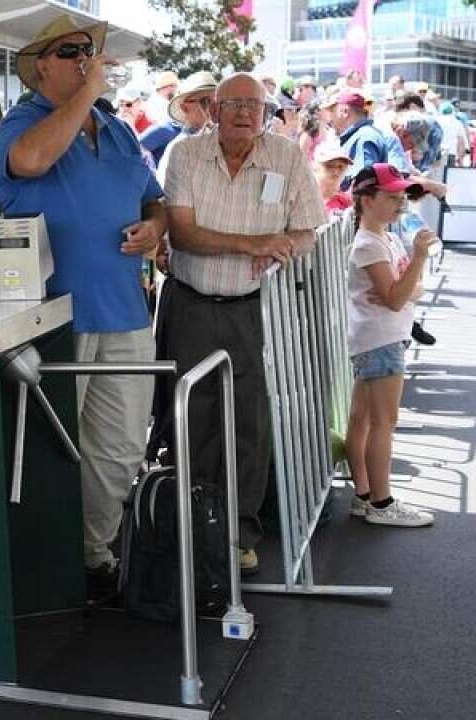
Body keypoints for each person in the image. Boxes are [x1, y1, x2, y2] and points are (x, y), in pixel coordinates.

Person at [0, 15, 166, 589]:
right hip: (52, 319)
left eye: (90, 52)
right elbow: (32, 161)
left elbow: (153, 199)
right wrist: (89, 93)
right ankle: (47, 565)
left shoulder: (118, 132)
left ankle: (93, 554)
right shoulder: (21, 122)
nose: (86, 59)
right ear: (41, 64)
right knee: (49, 449)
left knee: (117, 449)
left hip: (124, 313)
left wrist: (156, 228)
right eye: (72, 52)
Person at [161, 73, 327, 575]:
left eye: (254, 106)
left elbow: (307, 228)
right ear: (213, 109)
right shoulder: (185, 155)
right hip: (189, 302)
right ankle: (190, 525)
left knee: (249, 422)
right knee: (189, 419)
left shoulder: (286, 155)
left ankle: (237, 533)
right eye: (233, 103)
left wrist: (283, 248)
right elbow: (184, 234)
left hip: (251, 307)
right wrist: (253, 243)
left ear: (265, 113)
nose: (244, 113)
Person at [344, 164, 437, 528]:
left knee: (364, 419)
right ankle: (381, 504)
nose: (400, 203)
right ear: (366, 200)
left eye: (402, 196)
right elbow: (399, 296)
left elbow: (405, 292)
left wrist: (409, 278)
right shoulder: (370, 244)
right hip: (381, 340)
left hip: (378, 338)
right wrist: (418, 258)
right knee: (383, 422)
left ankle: (365, 496)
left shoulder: (382, 238)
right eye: (392, 197)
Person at [148, 71, 217, 180]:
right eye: (205, 101)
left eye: (217, 102)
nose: (214, 108)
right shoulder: (178, 150)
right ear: (184, 108)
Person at [314, 142, 354, 214]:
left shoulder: (347, 203)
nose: (336, 171)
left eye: (340, 167)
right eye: (329, 166)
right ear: (316, 166)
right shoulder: (304, 197)